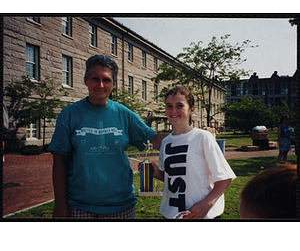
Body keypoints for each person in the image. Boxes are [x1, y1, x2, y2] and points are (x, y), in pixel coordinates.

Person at [48, 55, 166, 219]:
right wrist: (60, 205)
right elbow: (59, 161)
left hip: (121, 208)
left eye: (107, 80)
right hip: (79, 207)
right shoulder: (69, 114)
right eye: (95, 79)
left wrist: (190, 135)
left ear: (114, 84)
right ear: (85, 80)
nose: (101, 85)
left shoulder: (124, 114)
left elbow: (153, 139)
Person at [142, 86, 236, 219]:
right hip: (172, 215)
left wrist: (206, 204)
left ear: (191, 109)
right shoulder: (166, 142)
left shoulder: (203, 137)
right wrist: (157, 173)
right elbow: (173, 178)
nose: (173, 111)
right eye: (169, 106)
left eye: (179, 105)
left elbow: (224, 178)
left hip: (202, 215)